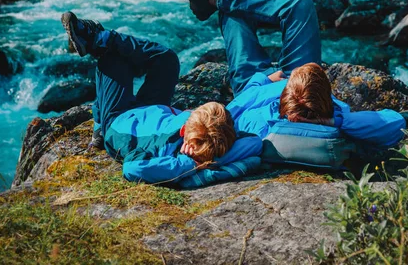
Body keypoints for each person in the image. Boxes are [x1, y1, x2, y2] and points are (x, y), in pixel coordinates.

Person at [169, 0, 405, 168]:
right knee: (300, 4)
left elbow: (234, 110)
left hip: (254, 83)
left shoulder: (258, 128)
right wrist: (333, 120)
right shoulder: (334, 114)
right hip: (301, 84)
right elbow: (395, 122)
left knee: (234, 15)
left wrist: (266, 80)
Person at [60, 11, 262, 184]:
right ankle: (98, 37)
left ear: (184, 129)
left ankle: (97, 39)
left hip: (118, 121)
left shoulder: (163, 151)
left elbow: (132, 168)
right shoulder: (215, 139)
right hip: (154, 109)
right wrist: (212, 156)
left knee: (112, 58)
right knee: (168, 59)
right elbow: (255, 143)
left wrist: (190, 164)